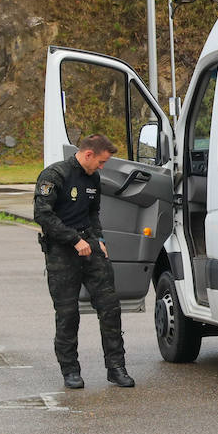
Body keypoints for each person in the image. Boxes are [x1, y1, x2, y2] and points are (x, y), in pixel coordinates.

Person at [33, 134, 135, 390]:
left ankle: (116, 368)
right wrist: (73, 239)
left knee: (110, 308)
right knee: (68, 314)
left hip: (90, 246)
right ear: (88, 154)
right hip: (61, 251)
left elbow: (92, 211)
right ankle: (70, 371)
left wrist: (98, 238)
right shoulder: (55, 175)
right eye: (101, 162)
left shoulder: (93, 178)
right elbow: (42, 214)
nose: (102, 167)